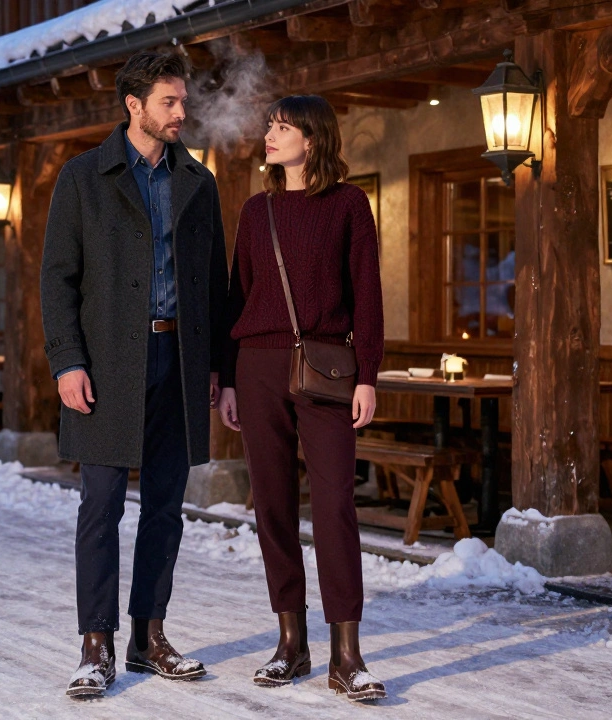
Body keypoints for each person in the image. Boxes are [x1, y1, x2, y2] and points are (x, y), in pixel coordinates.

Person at [41, 50, 228, 699]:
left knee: (166, 508)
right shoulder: (83, 177)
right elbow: (57, 279)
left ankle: (150, 637)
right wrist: (67, 360)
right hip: (105, 365)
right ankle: (96, 644)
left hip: (178, 362)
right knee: (101, 506)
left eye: (183, 101)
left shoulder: (198, 182)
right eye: (168, 102)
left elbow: (214, 283)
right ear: (134, 105)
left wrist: (217, 366)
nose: (181, 112)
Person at [216, 94, 386, 701]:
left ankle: (348, 654)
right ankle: (291, 641)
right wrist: (227, 378)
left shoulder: (348, 204)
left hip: (326, 368)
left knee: (335, 504)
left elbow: (367, 293)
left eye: (283, 127)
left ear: (312, 139)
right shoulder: (255, 210)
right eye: (270, 125)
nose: (270, 134)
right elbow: (237, 297)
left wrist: (368, 375)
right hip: (256, 367)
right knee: (272, 506)